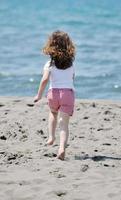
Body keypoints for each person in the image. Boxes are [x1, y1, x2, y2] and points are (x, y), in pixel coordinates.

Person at [34, 30, 75, 160]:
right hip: (67, 93)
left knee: (53, 113)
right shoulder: (71, 64)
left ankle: (51, 137)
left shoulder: (49, 64)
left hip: (53, 93)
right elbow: (72, 77)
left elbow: (45, 79)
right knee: (64, 124)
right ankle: (62, 148)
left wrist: (39, 95)